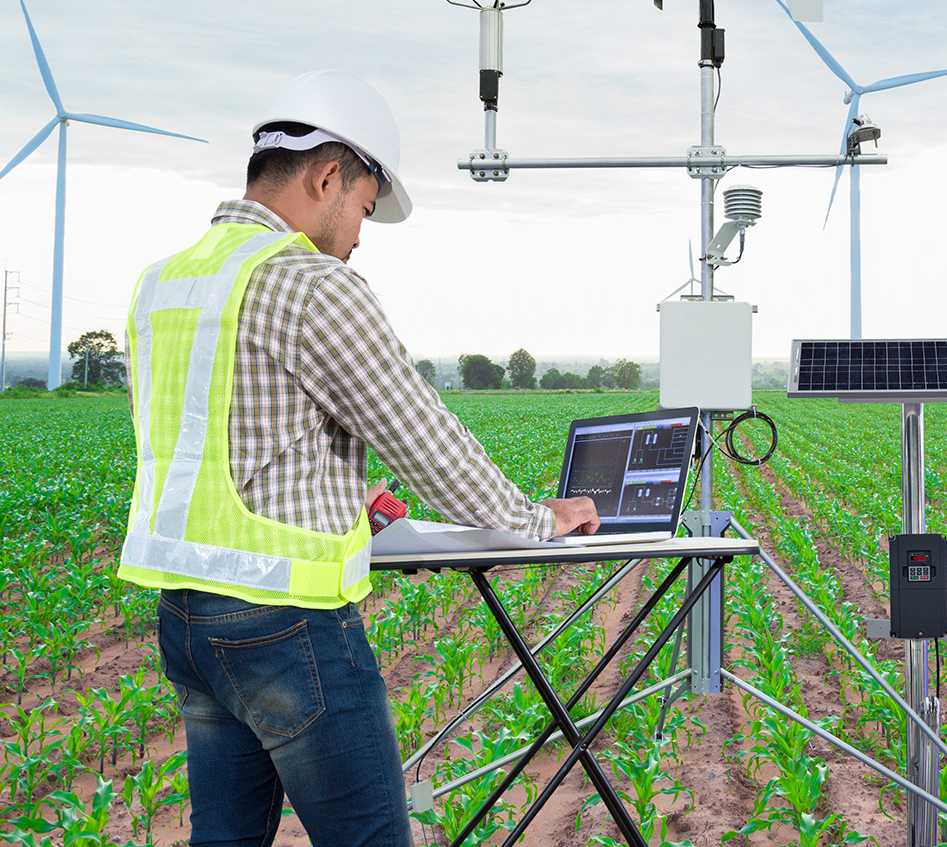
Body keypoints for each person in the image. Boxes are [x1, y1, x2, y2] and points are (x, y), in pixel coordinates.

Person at [116, 69, 599, 847]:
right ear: (328, 175)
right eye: (366, 208)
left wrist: (341, 498)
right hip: (285, 626)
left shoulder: (162, 283)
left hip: (187, 622)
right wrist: (537, 519)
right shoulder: (309, 283)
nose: (359, 235)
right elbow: (427, 441)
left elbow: (213, 439)